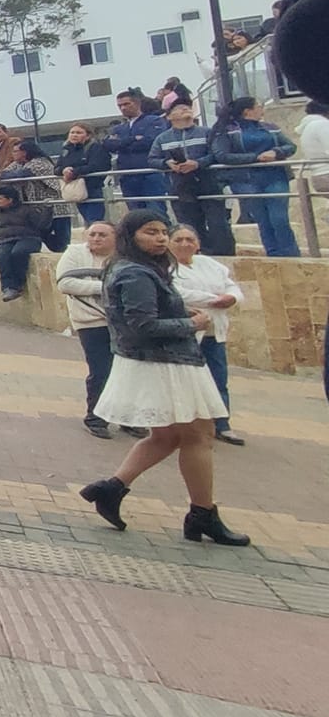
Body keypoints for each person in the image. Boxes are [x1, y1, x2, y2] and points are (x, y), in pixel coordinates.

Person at [78, 210, 248, 547]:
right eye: (150, 232)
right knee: (199, 434)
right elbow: (142, 326)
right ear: (132, 236)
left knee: (167, 437)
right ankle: (202, 513)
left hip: (166, 362)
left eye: (162, 232)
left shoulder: (141, 268)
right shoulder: (135, 272)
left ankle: (111, 489)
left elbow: (150, 312)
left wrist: (182, 313)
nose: (160, 238)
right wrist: (192, 324)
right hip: (164, 363)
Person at [55, 222, 147, 440]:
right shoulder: (75, 253)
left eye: (103, 235)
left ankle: (128, 419)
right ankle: (96, 418)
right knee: (101, 371)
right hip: (91, 322)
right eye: (93, 234)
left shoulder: (126, 258)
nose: (96, 239)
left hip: (125, 324)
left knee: (129, 371)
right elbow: (65, 283)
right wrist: (109, 287)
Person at [169, 225, 247, 447]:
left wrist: (231, 298)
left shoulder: (210, 265)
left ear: (198, 243)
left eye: (189, 239)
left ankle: (222, 424)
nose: (185, 244)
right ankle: (184, 426)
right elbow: (178, 294)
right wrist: (214, 300)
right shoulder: (164, 268)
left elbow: (232, 288)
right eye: (179, 240)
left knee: (218, 378)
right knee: (186, 381)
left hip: (214, 332)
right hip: (187, 332)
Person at [212, 97, 298, 257]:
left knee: (279, 219)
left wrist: (277, 152)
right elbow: (222, 155)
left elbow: (290, 146)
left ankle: (291, 254)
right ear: (248, 111)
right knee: (263, 220)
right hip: (246, 180)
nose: (262, 109)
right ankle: (273, 254)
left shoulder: (270, 127)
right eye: (259, 106)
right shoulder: (227, 130)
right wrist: (255, 157)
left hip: (275, 176)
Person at [149, 101, 236, 257]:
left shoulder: (206, 132)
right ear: (169, 116)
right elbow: (152, 159)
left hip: (209, 184)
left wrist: (198, 163)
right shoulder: (162, 138)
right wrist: (167, 163)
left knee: (218, 223)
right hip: (180, 186)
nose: (185, 109)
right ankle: (197, 255)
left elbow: (216, 154)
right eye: (180, 108)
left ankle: (225, 256)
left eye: (187, 108)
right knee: (189, 224)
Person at [101, 91, 170, 213]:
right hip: (127, 176)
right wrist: (133, 139)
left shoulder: (154, 121)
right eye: (120, 105)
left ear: (137, 103)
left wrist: (121, 143)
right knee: (135, 214)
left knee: (157, 211)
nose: (123, 108)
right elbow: (108, 145)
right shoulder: (119, 128)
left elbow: (152, 141)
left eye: (127, 104)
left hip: (150, 173)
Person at [0, 183, 51, 302]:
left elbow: (41, 225)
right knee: (2, 255)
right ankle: (8, 287)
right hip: (4, 240)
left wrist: (47, 210)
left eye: (0, 199)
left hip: (28, 238)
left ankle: (18, 284)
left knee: (19, 252)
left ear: (10, 199)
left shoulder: (26, 210)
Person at [6, 139, 73, 251]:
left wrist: (2, 177)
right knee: (39, 233)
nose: (13, 154)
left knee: (62, 241)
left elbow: (20, 174)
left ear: (25, 152)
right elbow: (5, 173)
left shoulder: (40, 162)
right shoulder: (17, 164)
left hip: (57, 208)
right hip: (38, 210)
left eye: (16, 151)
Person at [57, 122, 110, 226]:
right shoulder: (66, 149)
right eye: (72, 132)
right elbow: (57, 167)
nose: (74, 135)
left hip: (92, 189)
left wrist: (74, 172)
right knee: (86, 219)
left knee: (95, 220)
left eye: (79, 132)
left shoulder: (95, 147)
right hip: (77, 190)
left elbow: (97, 166)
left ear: (88, 135)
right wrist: (64, 171)